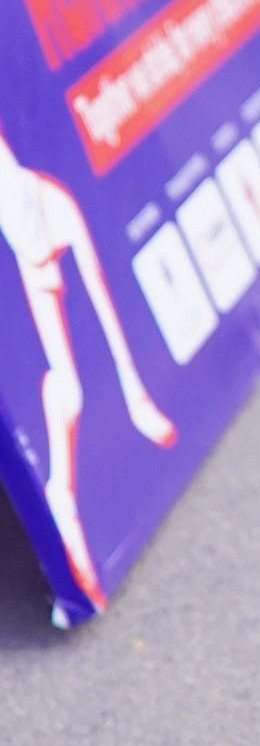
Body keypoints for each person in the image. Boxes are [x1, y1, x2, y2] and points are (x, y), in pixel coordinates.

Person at [0, 112, 177, 614]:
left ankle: (130, 396)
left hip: (31, 205)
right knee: (67, 387)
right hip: (24, 219)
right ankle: (61, 495)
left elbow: (99, 294)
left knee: (78, 349)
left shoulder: (49, 204)